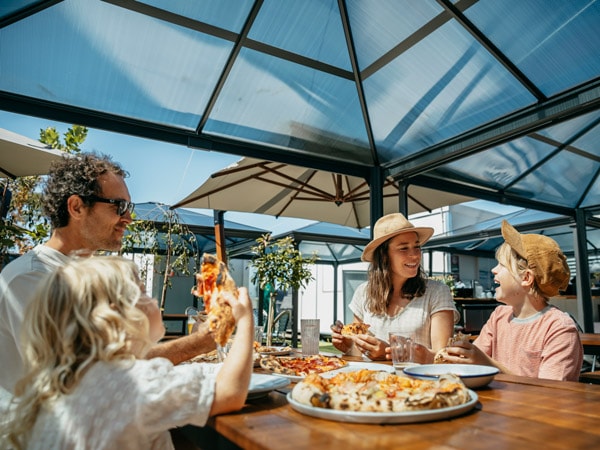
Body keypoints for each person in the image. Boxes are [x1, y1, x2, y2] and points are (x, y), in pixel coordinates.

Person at [0, 153, 215, 394]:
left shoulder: (88, 277)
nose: (129, 218)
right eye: (119, 206)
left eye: (129, 207)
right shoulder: (32, 278)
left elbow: (118, 356)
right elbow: (86, 376)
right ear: (76, 206)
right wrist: (197, 343)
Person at [1, 255, 253, 449]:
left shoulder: (64, 384)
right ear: (115, 314)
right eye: (143, 292)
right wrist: (244, 321)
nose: (154, 299)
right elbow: (230, 393)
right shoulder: (133, 381)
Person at [440, 220, 583, 381]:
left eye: (502, 265)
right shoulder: (500, 316)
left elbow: (550, 393)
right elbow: (472, 362)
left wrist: (489, 365)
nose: (494, 270)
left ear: (527, 278)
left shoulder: (559, 328)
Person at [330, 213, 458, 362]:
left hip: (420, 382)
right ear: (384, 256)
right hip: (371, 381)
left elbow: (443, 359)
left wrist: (389, 352)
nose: (415, 255)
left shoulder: (437, 292)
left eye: (417, 246)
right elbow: (358, 355)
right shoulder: (362, 293)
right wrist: (348, 347)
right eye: (404, 248)